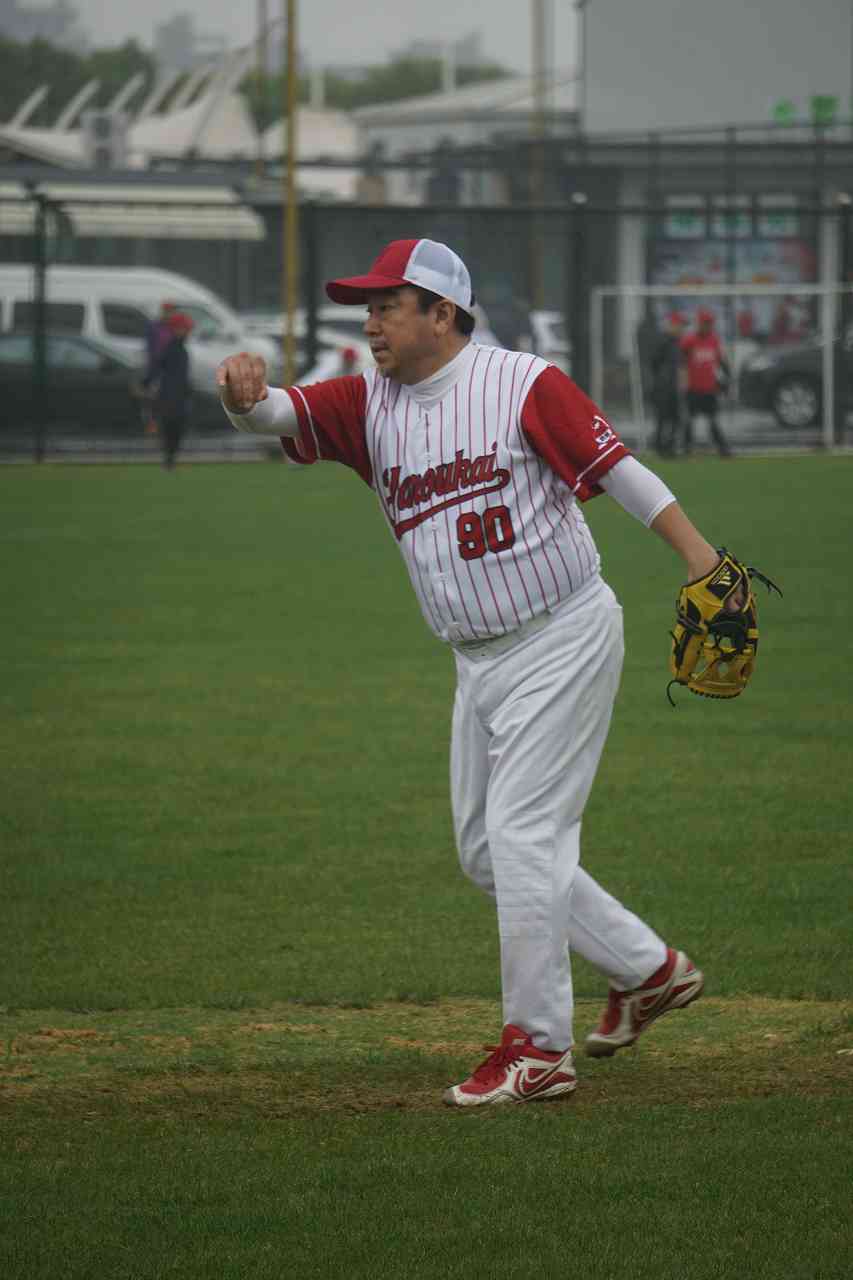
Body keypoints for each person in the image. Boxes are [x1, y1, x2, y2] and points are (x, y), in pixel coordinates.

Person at [217, 238, 724, 1108]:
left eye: (387, 305)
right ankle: (648, 970)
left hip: (560, 634)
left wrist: (700, 558)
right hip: (477, 656)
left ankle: (537, 1048)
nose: (369, 322)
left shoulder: (521, 383)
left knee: (523, 835)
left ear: (442, 312)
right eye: (367, 307)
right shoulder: (367, 403)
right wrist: (241, 397)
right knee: (486, 851)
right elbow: (276, 415)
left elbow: (618, 471)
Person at [143, 311, 193, 469]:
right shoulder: (172, 348)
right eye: (184, 329)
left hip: (178, 394)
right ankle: (169, 459)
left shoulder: (180, 348)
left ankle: (170, 459)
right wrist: (147, 382)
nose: (187, 332)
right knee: (172, 426)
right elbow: (157, 367)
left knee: (176, 427)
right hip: (171, 395)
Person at [681, 308, 732, 457]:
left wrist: (726, 380)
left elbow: (721, 361)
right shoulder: (689, 341)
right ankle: (686, 448)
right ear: (699, 323)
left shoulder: (714, 340)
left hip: (709, 388)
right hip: (693, 388)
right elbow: (681, 362)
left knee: (713, 420)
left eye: (710, 323)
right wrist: (683, 382)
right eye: (705, 323)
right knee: (689, 420)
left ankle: (723, 448)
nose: (708, 326)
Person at [649, 310, 687, 457]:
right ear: (672, 325)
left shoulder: (677, 343)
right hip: (663, 388)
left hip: (672, 387)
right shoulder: (664, 342)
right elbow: (654, 363)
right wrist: (661, 381)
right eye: (679, 325)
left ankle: (668, 446)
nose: (682, 329)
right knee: (663, 418)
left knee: (674, 419)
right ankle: (660, 447)